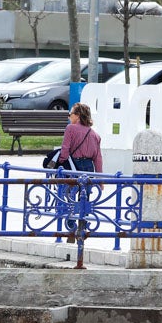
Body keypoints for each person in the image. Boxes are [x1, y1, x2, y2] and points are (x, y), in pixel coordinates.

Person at [56, 102, 102, 241]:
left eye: (71, 113)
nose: (69, 116)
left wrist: (61, 163)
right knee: (85, 198)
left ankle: (71, 227)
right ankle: (83, 225)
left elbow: (65, 151)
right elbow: (98, 158)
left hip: (74, 166)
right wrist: (100, 179)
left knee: (70, 196)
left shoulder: (70, 129)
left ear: (78, 116)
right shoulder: (95, 135)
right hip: (89, 167)